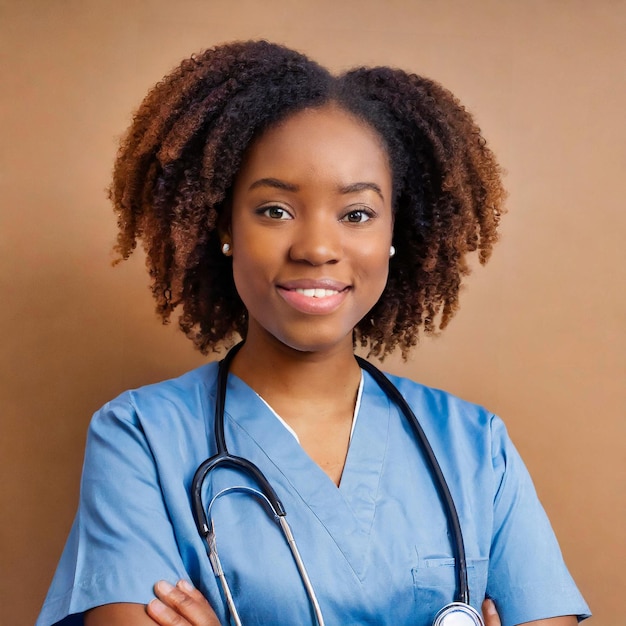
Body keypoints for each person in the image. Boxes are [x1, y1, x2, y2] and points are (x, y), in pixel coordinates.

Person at [37, 41, 590, 626]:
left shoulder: (478, 449)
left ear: (395, 232)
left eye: (356, 215)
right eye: (275, 210)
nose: (317, 248)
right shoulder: (139, 437)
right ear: (224, 224)